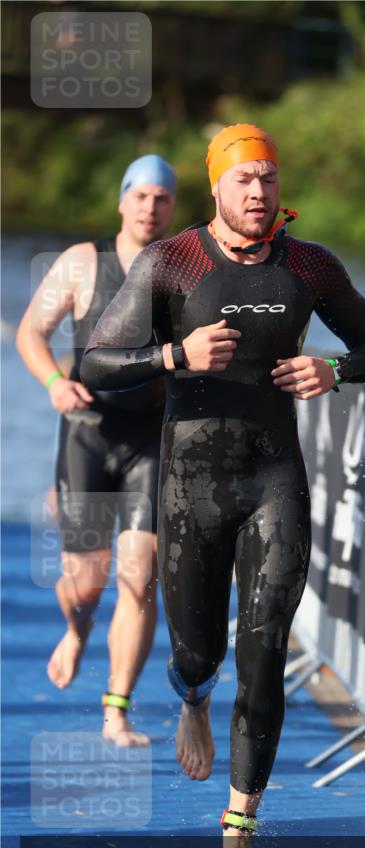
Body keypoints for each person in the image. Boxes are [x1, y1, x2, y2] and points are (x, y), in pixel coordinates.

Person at [80, 124, 365, 848]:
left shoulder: (308, 266)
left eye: (269, 180)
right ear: (216, 188)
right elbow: (95, 363)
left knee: (263, 651)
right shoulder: (173, 262)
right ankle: (191, 696)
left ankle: (239, 828)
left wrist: (336, 371)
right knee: (199, 648)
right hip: (190, 485)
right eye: (243, 180)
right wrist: (172, 355)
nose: (258, 193)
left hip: (273, 479)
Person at [16, 155, 177, 747]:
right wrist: (55, 383)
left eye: (162, 198)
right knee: (86, 585)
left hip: (150, 441)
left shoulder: (185, 268)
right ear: (122, 201)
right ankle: (77, 629)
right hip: (87, 436)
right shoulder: (82, 263)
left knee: (139, 579)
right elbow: (32, 332)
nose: (150, 207)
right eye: (141, 196)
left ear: (173, 207)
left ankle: (117, 711)